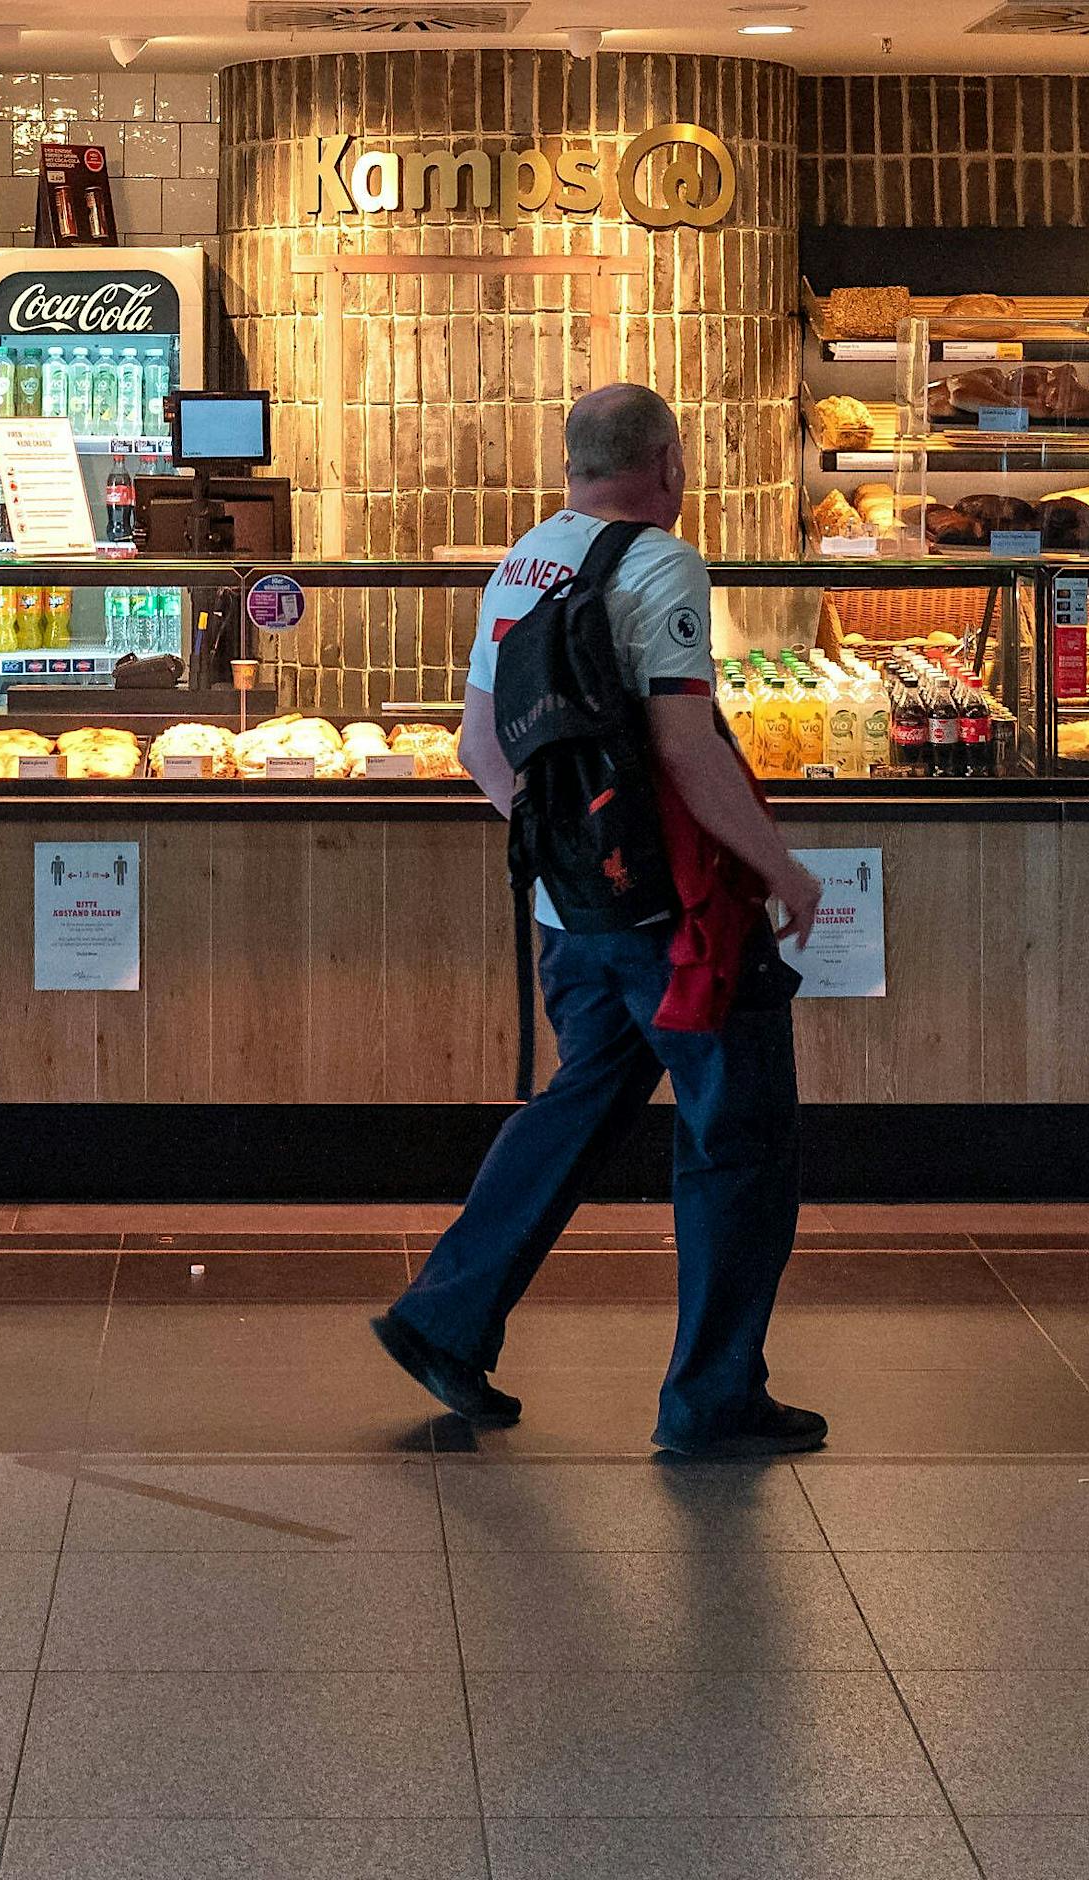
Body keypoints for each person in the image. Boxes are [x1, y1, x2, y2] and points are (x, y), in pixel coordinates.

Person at [371, 383, 826, 1458]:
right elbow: (685, 748)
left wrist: (571, 858)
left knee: (579, 1101)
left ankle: (443, 1318)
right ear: (668, 463)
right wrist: (784, 872)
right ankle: (712, 1399)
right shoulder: (662, 562)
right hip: (676, 917)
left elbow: (477, 746)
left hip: (573, 913)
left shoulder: (524, 559)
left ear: (571, 463)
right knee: (738, 1141)